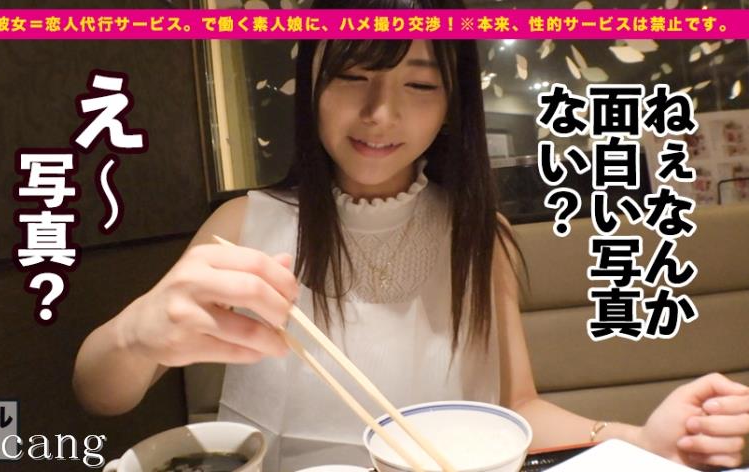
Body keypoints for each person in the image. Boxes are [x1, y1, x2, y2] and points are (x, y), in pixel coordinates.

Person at [73, 0, 749, 469]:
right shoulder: (244, 225)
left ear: (453, 106)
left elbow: (518, 408)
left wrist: (639, 441)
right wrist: (136, 333)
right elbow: (100, 393)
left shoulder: (476, 235)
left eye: (419, 85)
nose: (381, 112)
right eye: (353, 76)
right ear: (312, 87)